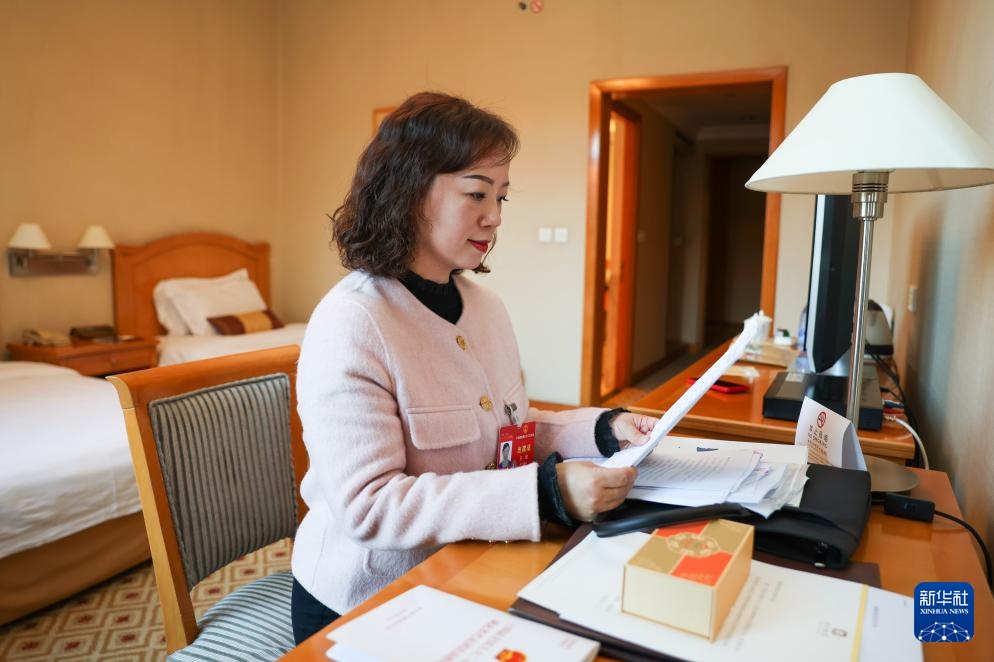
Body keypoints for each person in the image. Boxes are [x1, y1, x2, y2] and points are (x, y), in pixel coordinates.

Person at [291, 91, 658, 644]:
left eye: (502, 197)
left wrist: (606, 429)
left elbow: (506, 429)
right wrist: (543, 493)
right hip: (367, 601)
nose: (495, 217)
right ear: (410, 190)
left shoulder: (485, 308)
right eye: (476, 194)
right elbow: (369, 508)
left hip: (469, 563)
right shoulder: (353, 322)